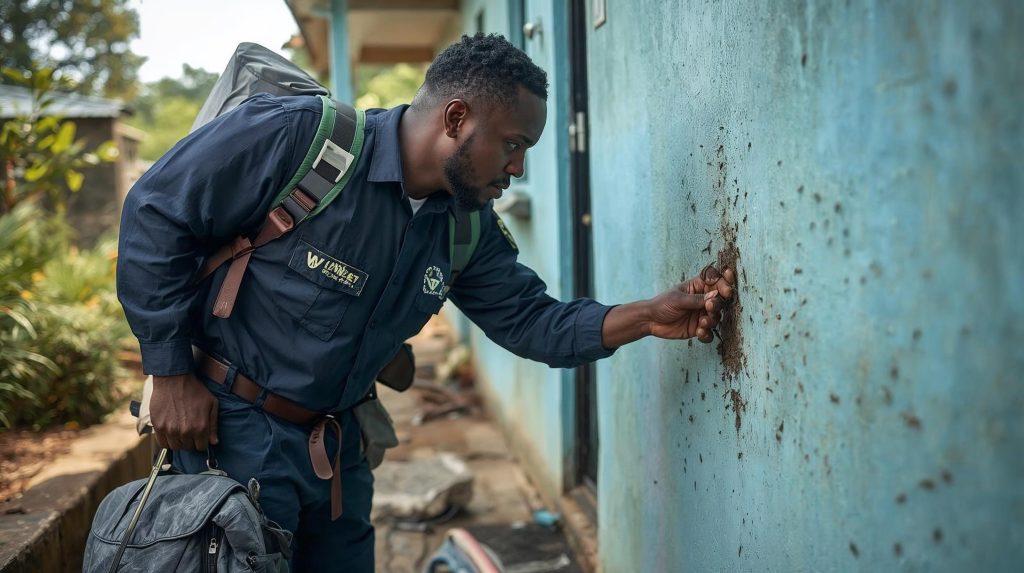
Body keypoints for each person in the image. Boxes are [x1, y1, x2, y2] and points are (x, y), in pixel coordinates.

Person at [116, 33, 735, 571]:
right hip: (232, 437)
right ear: (457, 117)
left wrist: (647, 316)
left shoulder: (464, 229)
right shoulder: (299, 140)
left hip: (336, 457)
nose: (517, 169)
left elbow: (532, 322)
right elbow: (155, 215)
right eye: (513, 144)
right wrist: (168, 370)